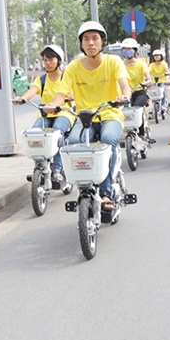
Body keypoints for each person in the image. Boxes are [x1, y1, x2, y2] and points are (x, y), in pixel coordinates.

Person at [44, 22, 130, 213]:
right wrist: (53, 104)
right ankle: (84, 185)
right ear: (81, 44)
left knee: (108, 139)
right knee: (73, 141)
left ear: (102, 42)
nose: (90, 43)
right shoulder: (74, 67)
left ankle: (106, 191)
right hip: (85, 119)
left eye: (95, 38)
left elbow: (125, 85)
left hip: (110, 114)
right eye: (86, 39)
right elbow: (61, 93)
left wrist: (124, 97)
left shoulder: (113, 62)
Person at [13, 45, 71, 186]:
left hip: (64, 113)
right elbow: (32, 90)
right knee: (34, 133)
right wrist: (22, 98)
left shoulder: (66, 78)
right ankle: (40, 165)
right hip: (44, 115)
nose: (48, 63)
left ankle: (57, 168)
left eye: (51, 59)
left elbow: (72, 93)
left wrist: (70, 98)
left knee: (57, 131)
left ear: (59, 60)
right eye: (45, 60)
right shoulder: (42, 80)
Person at [120, 38, 152, 107]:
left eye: (129, 49)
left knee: (137, 106)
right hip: (125, 94)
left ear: (135, 50)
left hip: (139, 92)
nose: (126, 51)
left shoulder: (141, 64)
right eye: (124, 49)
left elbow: (147, 76)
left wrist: (148, 81)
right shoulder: (120, 65)